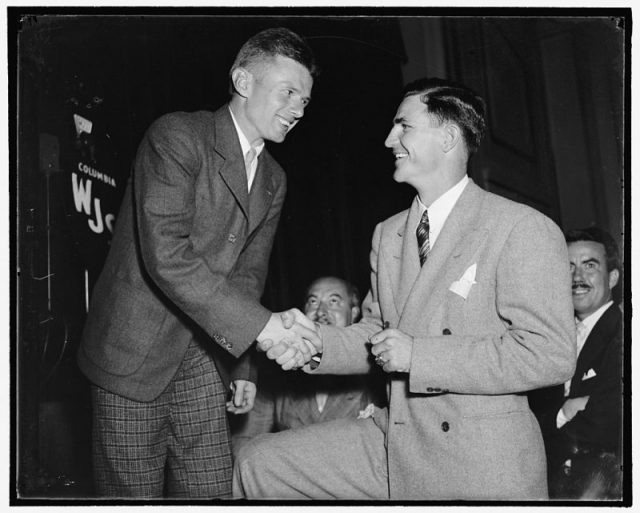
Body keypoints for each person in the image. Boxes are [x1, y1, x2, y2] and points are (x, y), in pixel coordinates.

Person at [234, 77, 577, 500]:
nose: (388, 139)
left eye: (403, 126)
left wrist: (420, 355)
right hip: (395, 437)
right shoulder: (389, 233)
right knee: (257, 463)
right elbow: (378, 335)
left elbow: (549, 354)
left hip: (478, 454)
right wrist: (312, 341)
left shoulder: (520, 228)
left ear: (449, 137)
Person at [76, 27, 319, 498]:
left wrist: (243, 367)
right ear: (243, 82)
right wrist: (266, 329)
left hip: (205, 358)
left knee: (211, 494)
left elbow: (249, 276)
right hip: (130, 356)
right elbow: (166, 256)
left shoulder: (274, 177)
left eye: (305, 101)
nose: (297, 110)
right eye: (288, 92)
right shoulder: (177, 135)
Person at [231, 276, 386, 453]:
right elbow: (246, 444)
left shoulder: (376, 372)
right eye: (313, 302)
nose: (321, 311)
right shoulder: (278, 371)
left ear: (355, 312)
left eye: (334, 301)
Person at [538, 227, 622, 499]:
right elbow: (532, 413)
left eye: (589, 266)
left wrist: (549, 432)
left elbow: (609, 419)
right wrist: (566, 411)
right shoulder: (549, 336)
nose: (577, 277)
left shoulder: (625, 331)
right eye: (569, 267)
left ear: (612, 278)